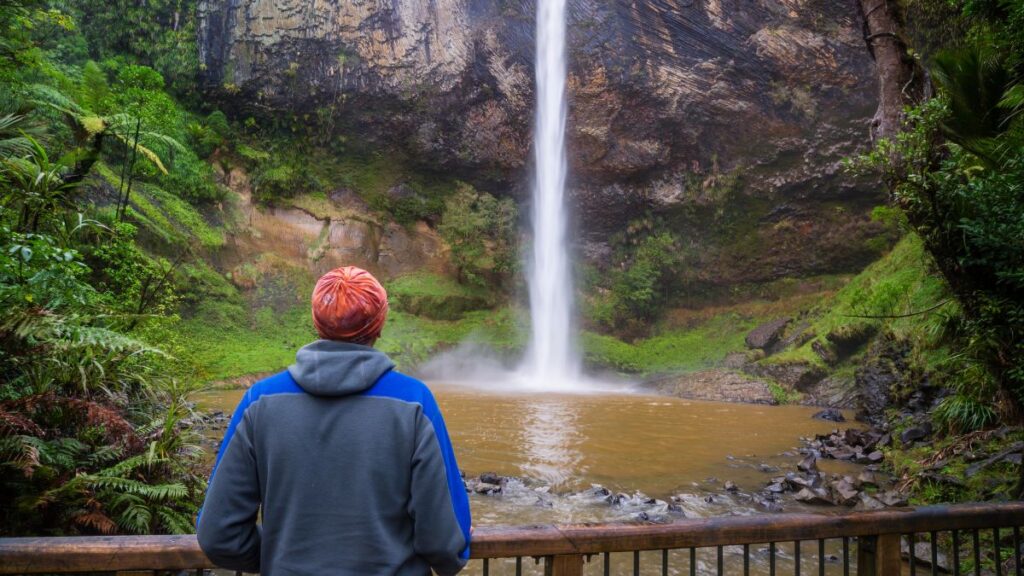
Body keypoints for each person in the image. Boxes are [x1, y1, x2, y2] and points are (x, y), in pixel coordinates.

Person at [197, 266, 471, 575]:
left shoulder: (259, 402)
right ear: (379, 325)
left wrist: (279, 554)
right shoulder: (415, 402)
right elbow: (446, 543)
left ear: (316, 322)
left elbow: (217, 534)